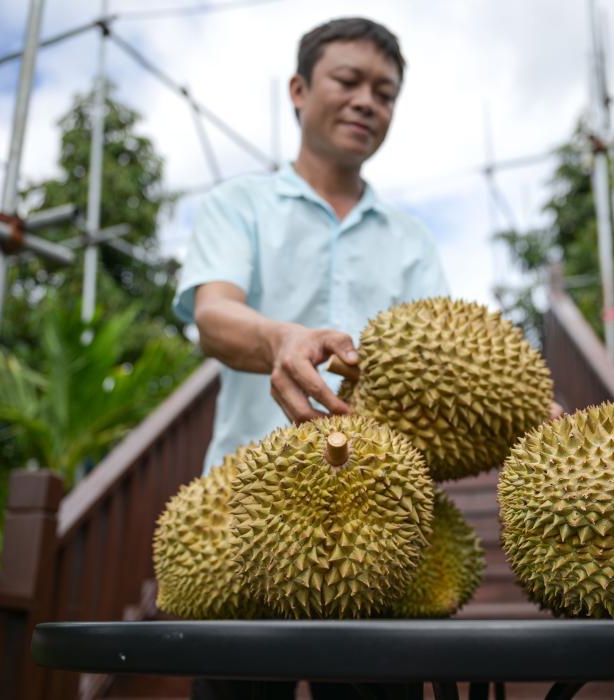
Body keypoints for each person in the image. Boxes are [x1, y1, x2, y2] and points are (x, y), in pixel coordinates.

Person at [174, 17, 448, 478]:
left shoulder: (412, 240)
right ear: (299, 91)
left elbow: (446, 356)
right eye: (347, 81)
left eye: (385, 95)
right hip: (243, 495)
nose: (366, 103)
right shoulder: (239, 204)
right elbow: (213, 316)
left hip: (382, 499)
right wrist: (280, 340)